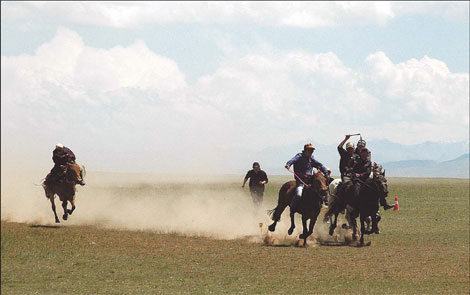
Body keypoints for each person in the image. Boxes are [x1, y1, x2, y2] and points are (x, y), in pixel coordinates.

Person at [285, 143, 328, 220]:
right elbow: (293, 160)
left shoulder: (312, 159)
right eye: (310, 150)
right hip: (300, 180)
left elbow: (320, 164)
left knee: (321, 191)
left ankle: (322, 208)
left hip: (310, 181)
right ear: (305, 150)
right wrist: (288, 164)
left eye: (312, 150)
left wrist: (326, 173)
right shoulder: (299, 156)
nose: (311, 152)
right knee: (298, 193)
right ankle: (293, 208)